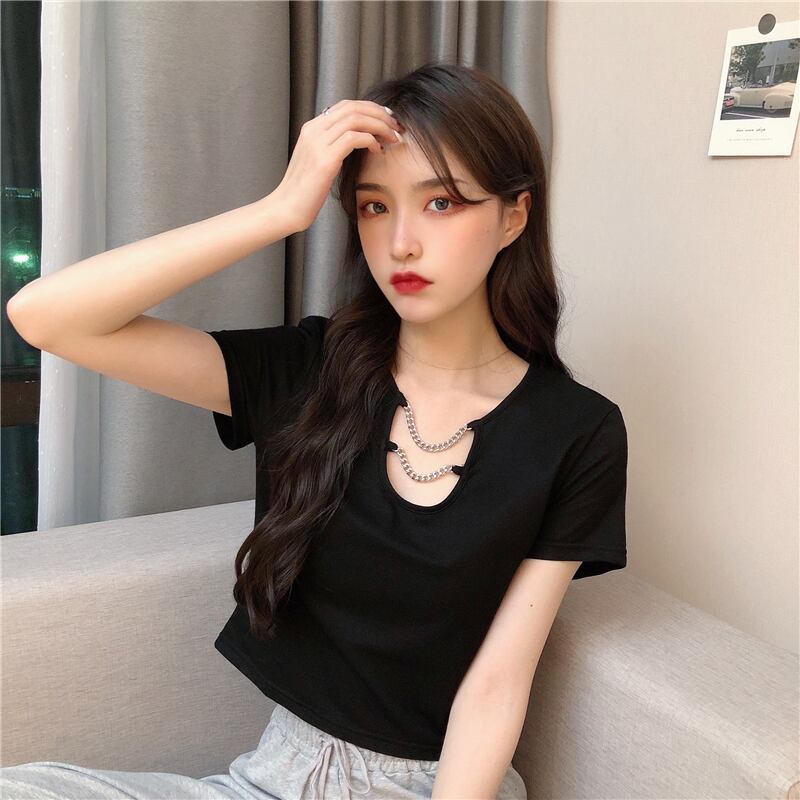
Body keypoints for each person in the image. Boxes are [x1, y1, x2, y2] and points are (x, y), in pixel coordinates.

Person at [2, 61, 627, 799]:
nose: (400, 243)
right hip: (271, 778)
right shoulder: (312, 368)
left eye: (441, 203)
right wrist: (278, 211)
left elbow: (497, 684)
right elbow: (45, 317)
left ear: (514, 217)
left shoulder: (576, 431)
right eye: (373, 207)